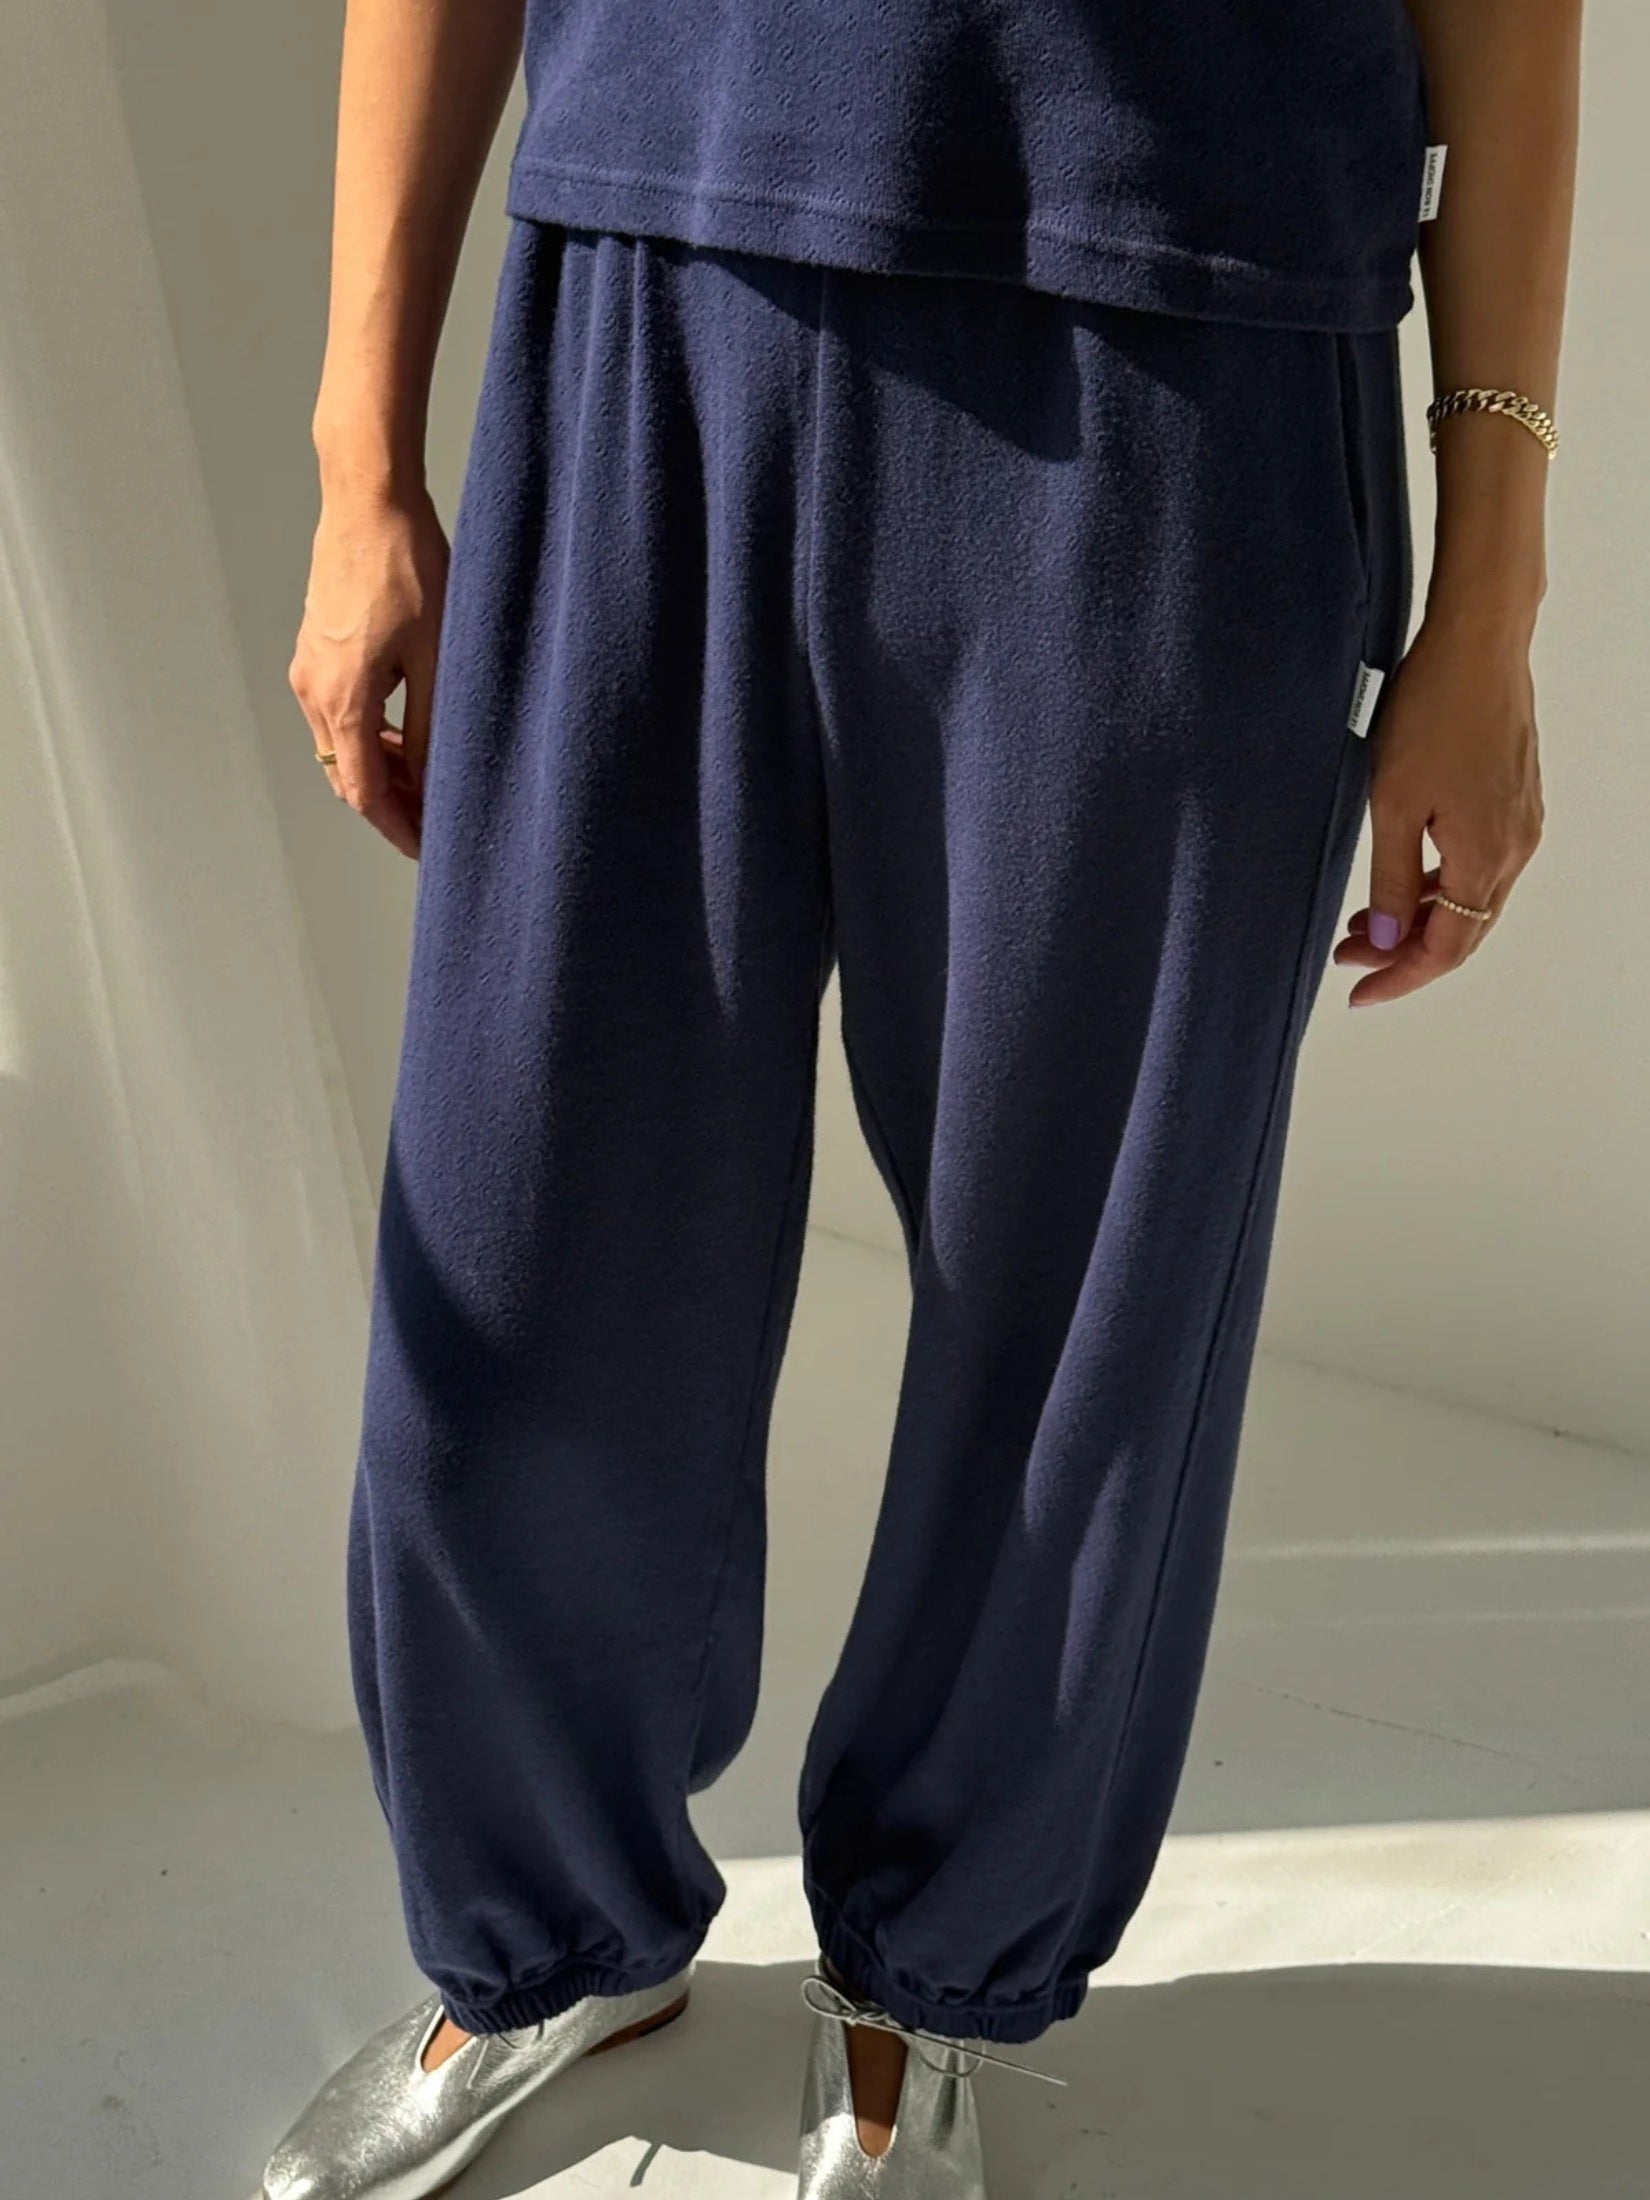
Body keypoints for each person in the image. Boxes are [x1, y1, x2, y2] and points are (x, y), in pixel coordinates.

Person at [263, 0, 1578, 2192]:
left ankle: (928, 1974)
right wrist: (359, 458)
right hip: (650, 294)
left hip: (1188, 348)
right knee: (525, 1232)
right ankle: (546, 1932)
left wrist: (1493, 589)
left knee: (1082, 1304)